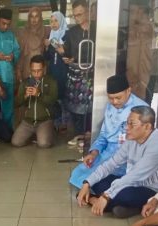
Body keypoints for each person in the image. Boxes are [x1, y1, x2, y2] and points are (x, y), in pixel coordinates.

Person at [76, 106, 158, 217]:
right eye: (127, 123)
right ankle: (121, 207)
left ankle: (100, 202)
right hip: (134, 182)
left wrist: (105, 196)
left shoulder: (157, 147)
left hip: (153, 188)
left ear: (147, 126)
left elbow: (134, 176)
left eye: (132, 124)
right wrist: (87, 183)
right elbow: (112, 163)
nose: (127, 128)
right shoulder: (132, 139)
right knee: (99, 183)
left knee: (124, 195)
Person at [68, 75, 148, 189]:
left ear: (128, 91)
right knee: (77, 174)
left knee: (97, 181)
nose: (114, 102)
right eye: (111, 98)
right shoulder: (110, 107)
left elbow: (142, 144)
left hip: (127, 158)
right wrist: (94, 153)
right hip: (107, 154)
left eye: (118, 98)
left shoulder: (141, 109)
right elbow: (103, 135)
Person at [62, 0, 96, 148]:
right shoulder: (71, 32)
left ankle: (91, 133)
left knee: (92, 104)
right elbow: (67, 52)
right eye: (74, 15)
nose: (77, 18)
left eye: (80, 14)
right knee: (75, 104)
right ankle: (79, 133)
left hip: (93, 73)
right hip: (76, 73)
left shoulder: (97, 29)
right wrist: (68, 57)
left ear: (87, 12)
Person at [11, 55, 58, 149]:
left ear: (44, 69)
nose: (36, 74)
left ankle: (49, 132)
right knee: (16, 142)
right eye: (33, 71)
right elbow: (16, 104)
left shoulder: (51, 81)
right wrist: (25, 96)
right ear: (30, 69)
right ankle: (35, 134)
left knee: (44, 144)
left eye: (39, 70)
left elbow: (53, 101)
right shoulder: (25, 83)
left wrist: (39, 94)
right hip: (28, 121)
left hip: (44, 120)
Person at [44, 10, 69, 119]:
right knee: (54, 96)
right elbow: (46, 57)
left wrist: (62, 51)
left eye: (56, 21)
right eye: (51, 21)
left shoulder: (67, 36)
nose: (53, 24)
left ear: (61, 21)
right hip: (53, 71)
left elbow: (71, 55)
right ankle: (55, 121)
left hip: (64, 71)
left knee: (64, 97)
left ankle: (65, 121)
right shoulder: (50, 36)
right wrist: (46, 47)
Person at [17, 7, 48, 82]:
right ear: (29, 18)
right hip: (27, 66)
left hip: (40, 67)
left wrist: (47, 46)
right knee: (28, 87)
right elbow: (20, 53)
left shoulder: (45, 31)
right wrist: (18, 69)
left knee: (40, 87)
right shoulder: (24, 32)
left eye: (36, 16)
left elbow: (48, 53)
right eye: (32, 16)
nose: (34, 19)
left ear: (40, 17)